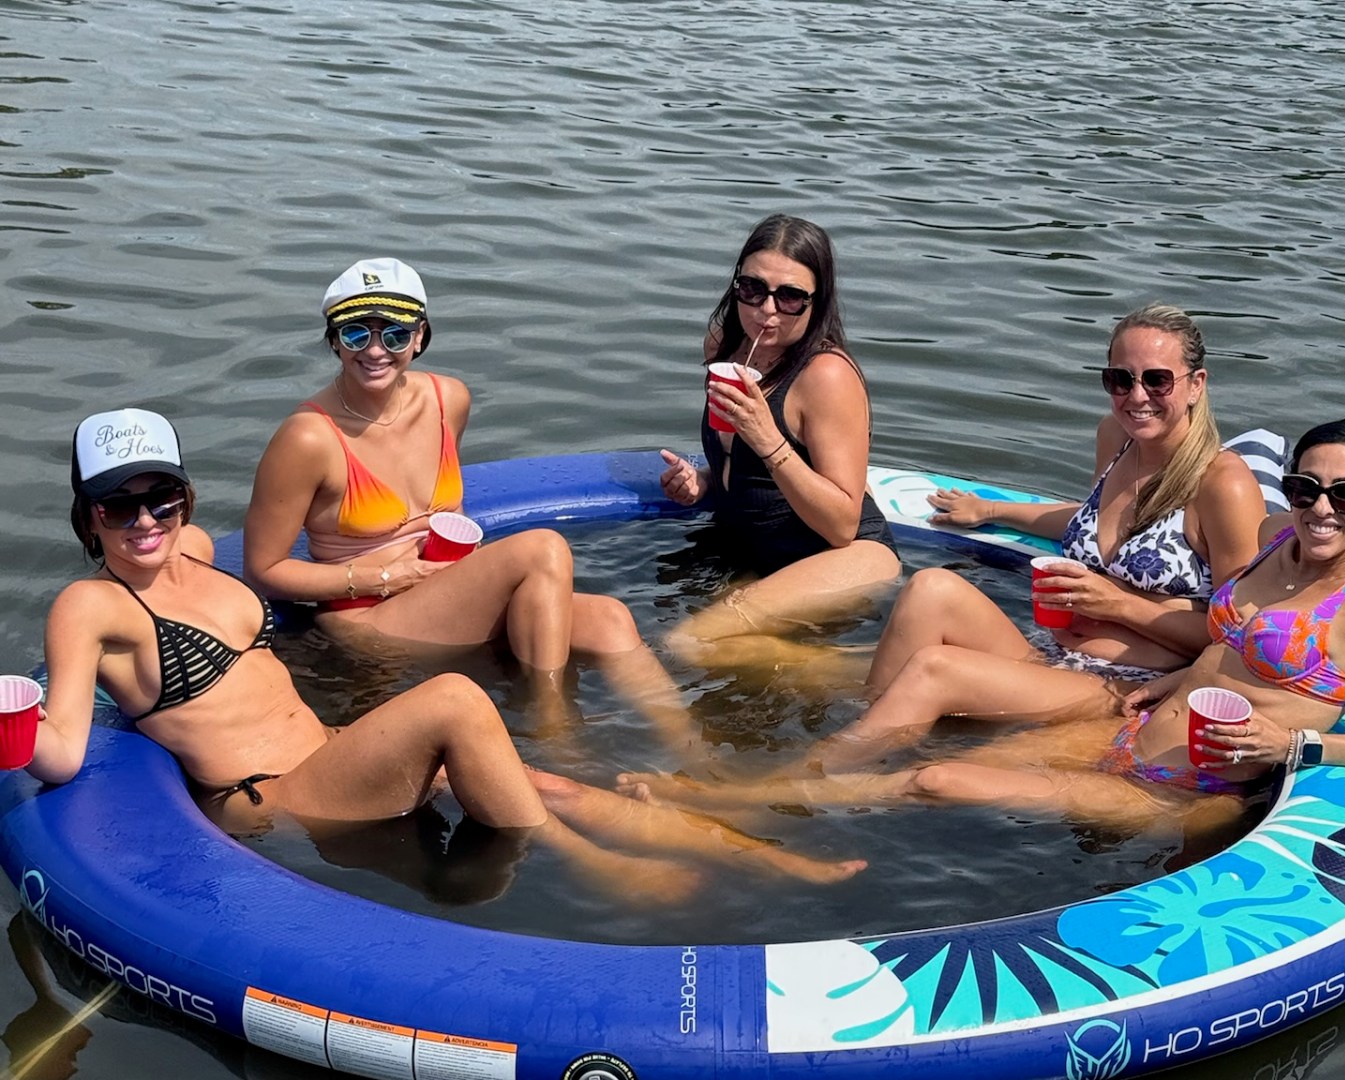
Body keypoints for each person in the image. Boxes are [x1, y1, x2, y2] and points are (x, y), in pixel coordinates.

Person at [31, 409, 865, 905]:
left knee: (551, 781)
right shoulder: (92, 604)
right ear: (88, 516)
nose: (144, 521)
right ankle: (600, 870)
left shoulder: (198, 556)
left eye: (161, 497)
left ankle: (771, 856)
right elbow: (63, 747)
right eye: (118, 505)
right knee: (459, 701)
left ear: (184, 497)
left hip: (330, 755)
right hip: (275, 800)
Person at [620, 418, 1345, 832]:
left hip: (1193, 786)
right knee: (940, 761)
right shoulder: (1273, 547)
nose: (1321, 508)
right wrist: (1165, 682)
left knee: (937, 778)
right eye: (1306, 488)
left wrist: (1295, 747)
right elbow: (1227, 641)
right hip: (1132, 726)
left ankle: (735, 808)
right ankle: (735, 799)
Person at [242, 258, 688, 744]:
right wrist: (386, 576)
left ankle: (698, 754)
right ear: (333, 340)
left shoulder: (448, 399)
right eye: (355, 335)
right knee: (542, 549)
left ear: (419, 337)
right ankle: (556, 731)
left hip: (447, 595)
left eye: (393, 334)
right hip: (371, 618)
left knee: (610, 620)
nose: (374, 351)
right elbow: (262, 570)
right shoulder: (308, 438)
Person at [862, 303, 1268, 716]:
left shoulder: (1222, 483)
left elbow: (1243, 639)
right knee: (929, 590)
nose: (1137, 396)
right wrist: (990, 509)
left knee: (935, 669)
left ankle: (832, 768)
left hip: (1127, 689)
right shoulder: (1118, 436)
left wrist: (1120, 604)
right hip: (1052, 654)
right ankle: (865, 717)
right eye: (1120, 380)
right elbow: (1092, 518)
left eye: (1157, 380)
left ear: (1196, 384)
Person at [657, 214, 901, 669]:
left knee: (687, 644)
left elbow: (842, 524)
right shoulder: (723, 346)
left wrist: (769, 440)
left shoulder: (826, 376)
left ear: (816, 301)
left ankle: (877, 673)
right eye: (752, 289)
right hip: (761, 551)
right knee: (668, 626)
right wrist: (705, 481)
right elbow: (745, 463)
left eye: (790, 297)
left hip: (843, 555)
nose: (766, 310)